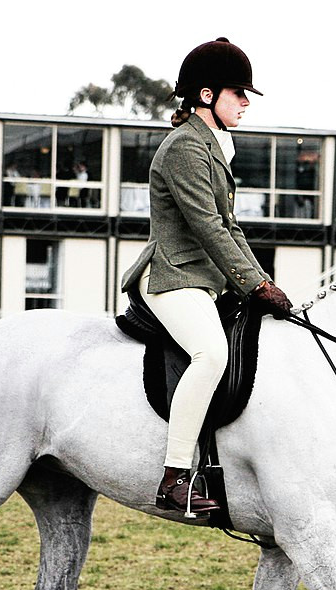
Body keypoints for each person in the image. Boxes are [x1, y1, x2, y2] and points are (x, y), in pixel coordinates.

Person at [119, 36, 292, 516]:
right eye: (239, 93)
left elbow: (230, 226)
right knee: (211, 353)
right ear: (207, 95)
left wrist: (262, 282)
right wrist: (255, 285)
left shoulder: (215, 147)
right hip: (173, 276)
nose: (245, 103)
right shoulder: (184, 149)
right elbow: (208, 228)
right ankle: (175, 476)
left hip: (206, 280)